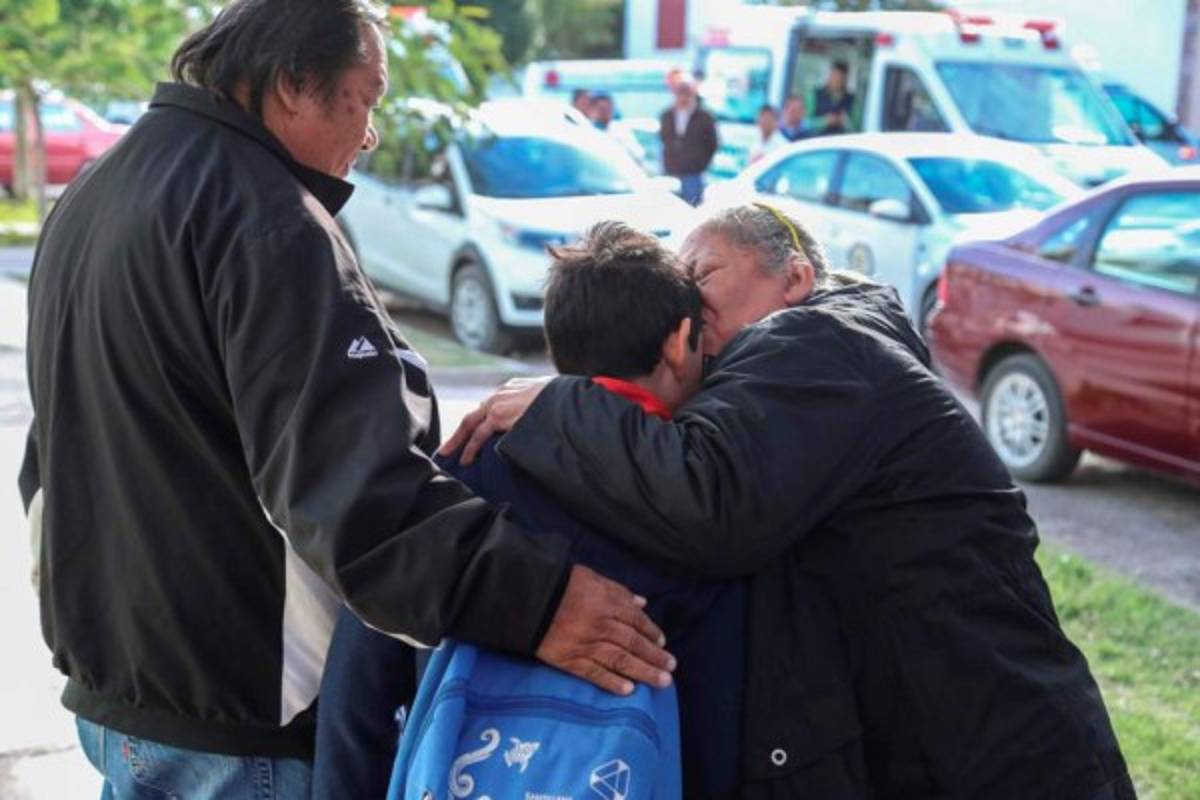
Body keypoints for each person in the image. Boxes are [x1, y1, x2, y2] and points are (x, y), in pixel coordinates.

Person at [17, 2, 670, 797]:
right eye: (366, 97)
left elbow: (44, 463)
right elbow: (355, 491)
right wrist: (539, 601)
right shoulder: (266, 219)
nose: (370, 134)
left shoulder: (96, 189)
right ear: (293, 85)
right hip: (236, 717)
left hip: (118, 698)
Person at [442, 204, 1135, 799]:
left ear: (796, 277)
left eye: (702, 275)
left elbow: (709, 501)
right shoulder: (804, 366)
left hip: (999, 751)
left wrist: (563, 403)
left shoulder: (822, 342)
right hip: (964, 738)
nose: (686, 298)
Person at [315, 222, 745, 799]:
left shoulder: (464, 470)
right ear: (678, 341)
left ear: (555, 345)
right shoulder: (707, 499)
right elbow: (723, 720)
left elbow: (360, 687)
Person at [659, 76, 718, 206]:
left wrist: (700, 164)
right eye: (680, 93)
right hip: (671, 172)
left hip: (693, 174)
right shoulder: (667, 115)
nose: (683, 97)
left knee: (691, 208)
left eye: (687, 93)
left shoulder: (704, 117)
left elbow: (712, 144)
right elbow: (663, 139)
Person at [814, 60, 855, 135]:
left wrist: (846, 122)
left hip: (841, 142)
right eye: (834, 76)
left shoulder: (852, 99)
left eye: (840, 77)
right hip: (817, 141)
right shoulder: (815, 95)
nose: (837, 80)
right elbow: (804, 123)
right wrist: (824, 121)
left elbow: (858, 128)